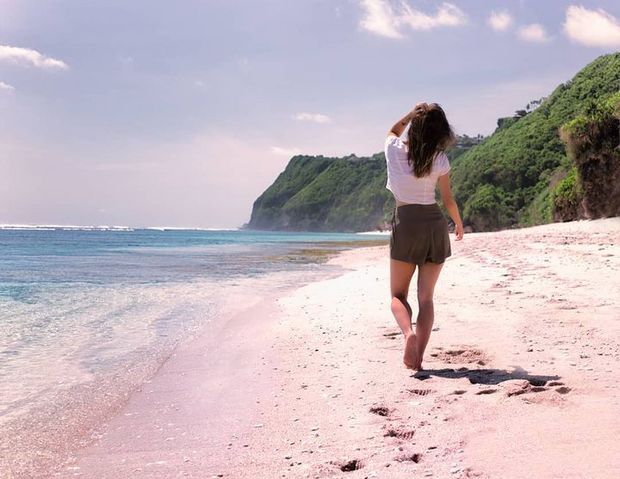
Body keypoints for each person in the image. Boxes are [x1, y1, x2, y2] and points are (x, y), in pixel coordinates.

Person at [385, 102, 464, 371]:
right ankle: (418, 358)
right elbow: (448, 199)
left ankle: (409, 334)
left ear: (415, 126)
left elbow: (393, 131)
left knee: (397, 295)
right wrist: (458, 223)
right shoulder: (440, 159)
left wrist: (411, 113)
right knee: (426, 298)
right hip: (434, 225)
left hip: (406, 223)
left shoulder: (394, 151)